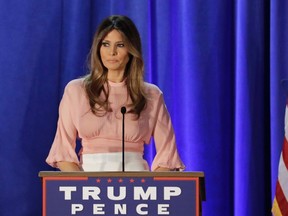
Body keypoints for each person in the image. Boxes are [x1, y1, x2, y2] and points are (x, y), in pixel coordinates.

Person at [46, 15, 185, 172]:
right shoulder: (76, 90)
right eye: (105, 44)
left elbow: (167, 156)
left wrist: (149, 190)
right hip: (86, 185)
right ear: (98, 48)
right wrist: (83, 188)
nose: (111, 52)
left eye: (120, 45)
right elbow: (63, 152)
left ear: (131, 50)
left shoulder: (151, 94)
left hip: (137, 184)